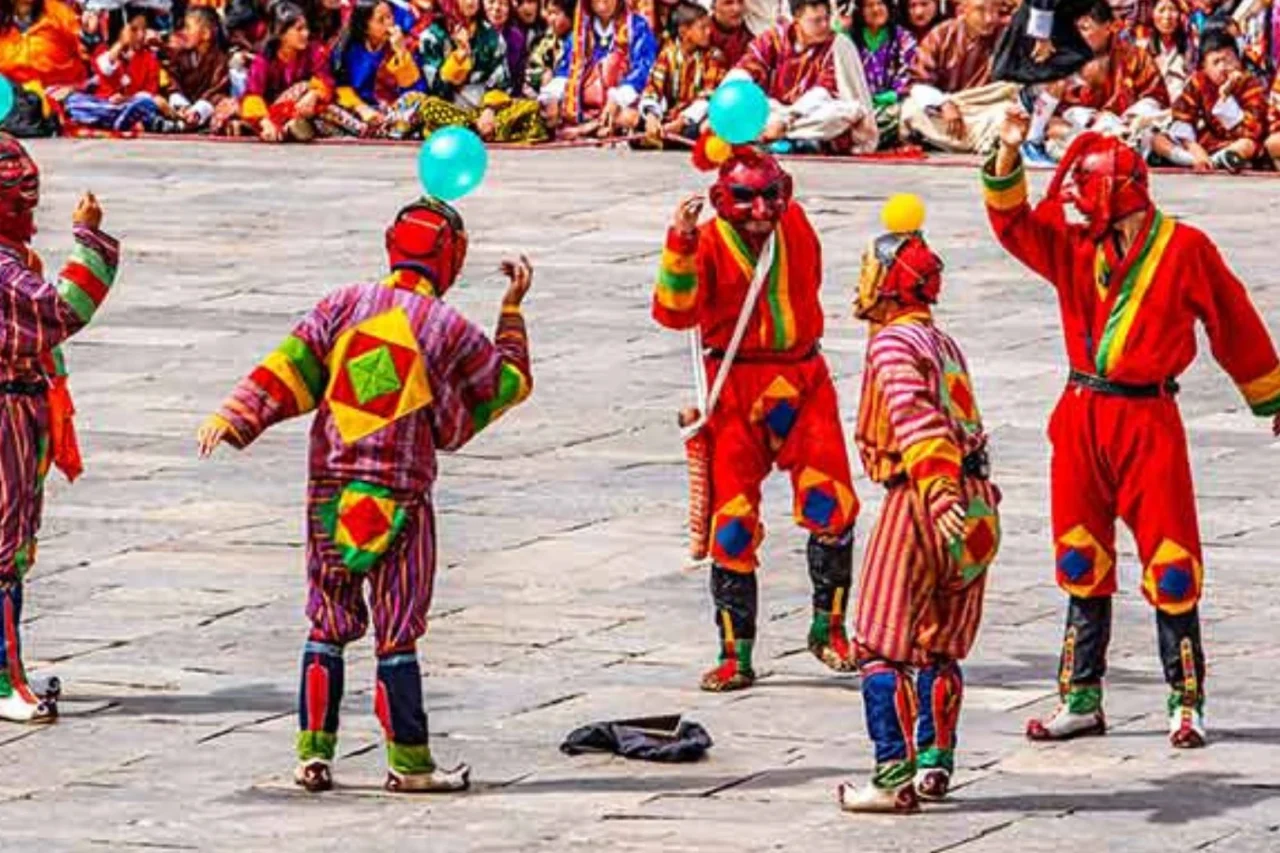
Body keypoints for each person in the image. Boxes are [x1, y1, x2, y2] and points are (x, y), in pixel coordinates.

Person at [197, 199, 535, 793]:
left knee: (326, 622)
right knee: (397, 631)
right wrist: (511, 313)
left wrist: (235, 413)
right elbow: (507, 383)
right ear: (450, 256)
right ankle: (409, 765)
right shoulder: (448, 328)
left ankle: (312, 756)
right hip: (399, 497)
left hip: (331, 491)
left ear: (391, 244)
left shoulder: (343, 304)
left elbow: (288, 368)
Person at [984, 110, 1280, 750]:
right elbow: (1012, 225)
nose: (1073, 209)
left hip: (1148, 419)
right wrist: (1008, 152)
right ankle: (1081, 697)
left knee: (1171, 563)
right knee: (1079, 556)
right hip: (1081, 414)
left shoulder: (1186, 249)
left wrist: (1271, 396)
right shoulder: (1073, 245)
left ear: (1118, 196)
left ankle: (1186, 700)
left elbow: (1234, 321)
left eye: (1083, 196)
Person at [652, 143, 862, 692]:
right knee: (733, 524)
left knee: (831, 505)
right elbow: (674, 315)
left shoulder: (796, 226)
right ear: (723, 199)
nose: (763, 210)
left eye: (772, 196)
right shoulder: (707, 243)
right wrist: (679, 245)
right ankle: (734, 652)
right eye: (747, 199)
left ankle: (829, 628)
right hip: (736, 389)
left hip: (802, 379)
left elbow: (809, 285)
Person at [837, 195, 1000, 813]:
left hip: (926, 499)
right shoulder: (943, 341)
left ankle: (893, 776)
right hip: (978, 502)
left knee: (881, 644)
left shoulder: (893, 345)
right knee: (938, 643)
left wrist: (936, 491)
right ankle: (935, 765)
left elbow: (918, 418)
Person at [0, 136, 119, 724]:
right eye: (20, 202)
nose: (29, 213)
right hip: (5, 414)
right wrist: (89, 241)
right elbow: (60, 310)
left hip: (20, 408)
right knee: (3, 547)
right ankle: (3, 680)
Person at [1027, 0, 1170, 162]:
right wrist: (1090, 120)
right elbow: (1047, 112)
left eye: (1084, 29)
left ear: (1108, 27)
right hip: (1077, 133)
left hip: (1127, 130)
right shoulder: (1060, 59)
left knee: (1152, 133)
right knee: (1056, 130)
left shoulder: (1135, 57)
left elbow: (1157, 97)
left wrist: (1132, 117)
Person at [731, 0, 878, 154]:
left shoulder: (835, 45)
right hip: (776, 113)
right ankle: (782, 137)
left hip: (809, 115)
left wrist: (787, 120)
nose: (824, 26)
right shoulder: (773, 38)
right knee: (750, 106)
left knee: (845, 112)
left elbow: (823, 93)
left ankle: (777, 137)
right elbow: (746, 68)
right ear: (797, 19)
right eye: (816, 21)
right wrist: (730, 94)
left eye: (826, 19)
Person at [416, 0, 549, 141]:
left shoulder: (491, 34)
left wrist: (489, 110)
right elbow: (437, 88)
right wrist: (459, 57)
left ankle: (470, 131)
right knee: (428, 107)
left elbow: (502, 82)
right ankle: (478, 130)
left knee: (532, 108)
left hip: (486, 108)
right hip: (451, 108)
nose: (472, 1)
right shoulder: (431, 36)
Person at [900, 0, 1016, 154]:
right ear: (963, 10)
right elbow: (918, 82)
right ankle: (978, 140)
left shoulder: (1006, 34)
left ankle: (959, 141)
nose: (989, 18)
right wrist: (943, 102)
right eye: (980, 11)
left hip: (987, 108)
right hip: (949, 110)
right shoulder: (942, 34)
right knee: (911, 109)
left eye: (994, 10)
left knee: (1008, 115)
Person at [541, 0, 658, 138]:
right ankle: (592, 126)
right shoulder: (581, 29)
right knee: (546, 109)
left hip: (621, 107)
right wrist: (552, 96)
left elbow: (642, 71)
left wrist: (618, 98)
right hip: (584, 109)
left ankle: (592, 128)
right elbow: (566, 70)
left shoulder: (637, 27)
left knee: (627, 117)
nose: (603, 3)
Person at [61, 5, 183, 133]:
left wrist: (127, 99)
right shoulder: (103, 51)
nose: (141, 35)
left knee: (146, 102)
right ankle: (123, 120)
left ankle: (121, 120)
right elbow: (105, 68)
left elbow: (149, 95)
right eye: (134, 30)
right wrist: (120, 43)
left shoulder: (150, 59)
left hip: (133, 105)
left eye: (144, 29)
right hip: (106, 106)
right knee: (73, 102)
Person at [1160, 27, 1266, 172]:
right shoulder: (1199, 80)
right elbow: (1182, 118)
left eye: (1228, 60)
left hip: (1236, 143)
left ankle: (1217, 162)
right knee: (1158, 139)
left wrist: (1225, 96)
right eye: (1216, 62)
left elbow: (1253, 130)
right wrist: (1195, 150)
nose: (1223, 67)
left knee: (1247, 145)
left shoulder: (1250, 83)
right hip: (1205, 142)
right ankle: (1192, 161)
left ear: (1239, 60)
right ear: (1204, 66)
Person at [321, 0, 426, 137]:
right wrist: (362, 109)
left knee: (417, 100)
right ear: (365, 27)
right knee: (326, 110)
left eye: (390, 17)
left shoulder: (406, 44)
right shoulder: (345, 48)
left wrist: (401, 52)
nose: (389, 23)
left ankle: (379, 130)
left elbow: (414, 89)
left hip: (390, 109)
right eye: (381, 20)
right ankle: (379, 130)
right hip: (358, 110)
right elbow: (341, 88)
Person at [240, 2, 335, 142]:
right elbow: (253, 96)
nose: (306, 34)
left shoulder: (314, 51)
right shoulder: (263, 60)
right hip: (272, 114)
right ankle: (285, 128)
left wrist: (314, 94)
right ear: (281, 33)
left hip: (307, 110)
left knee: (327, 108)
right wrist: (265, 122)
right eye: (299, 29)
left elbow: (325, 80)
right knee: (302, 86)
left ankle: (291, 129)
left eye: (306, 28)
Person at [639, 2, 725, 145]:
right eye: (702, 28)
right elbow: (653, 86)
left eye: (708, 27)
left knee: (700, 129)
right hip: (671, 115)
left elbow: (709, 96)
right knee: (636, 120)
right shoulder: (667, 54)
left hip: (694, 117)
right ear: (684, 32)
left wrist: (682, 120)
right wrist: (651, 116)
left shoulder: (714, 57)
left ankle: (665, 138)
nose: (708, 32)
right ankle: (660, 135)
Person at [847, 0, 917, 147]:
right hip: (857, 104)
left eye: (880, 3)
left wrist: (894, 94)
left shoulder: (903, 37)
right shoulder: (849, 39)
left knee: (907, 113)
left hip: (891, 104)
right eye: (869, 5)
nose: (875, 9)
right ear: (860, 11)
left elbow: (910, 72)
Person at [161, 6, 232, 132]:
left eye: (188, 28)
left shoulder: (220, 59)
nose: (184, 32)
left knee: (219, 99)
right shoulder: (181, 56)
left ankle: (194, 119)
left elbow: (217, 90)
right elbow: (172, 80)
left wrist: (197, 110)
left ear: (205, 34)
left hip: (205, 109)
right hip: (182, 107)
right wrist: (182, 105)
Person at [0, 0, 87, 90]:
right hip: (15, 97)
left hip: (65, 94)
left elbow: (88, 54)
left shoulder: (58, 13)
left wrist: (90, 36)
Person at [1134, 0, 1190, 101]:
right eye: (1161, 10)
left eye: (1172, 10)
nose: (1167, 16)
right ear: (1152, 14)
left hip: (1180, 103)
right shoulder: (1141, 47)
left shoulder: (1190, 47)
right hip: (1149, 104)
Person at [525, 0, 569, 97]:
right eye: (549, 13)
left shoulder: (578, 42)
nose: (550, 18)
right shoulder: (540, 41)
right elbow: (530, 71)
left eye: (555, 13)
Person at [485, 0, 529, 97]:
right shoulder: (473, 32)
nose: (497, 8)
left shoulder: (516, 37)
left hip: (506, 99)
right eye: (491, 2)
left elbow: (518, 79)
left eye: (503, 3)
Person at [710, 0, 752, 67]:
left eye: (740, 2)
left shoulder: (752, 39)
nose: (737, 9)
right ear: (713, 6)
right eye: (728, 3)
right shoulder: (700, 36)